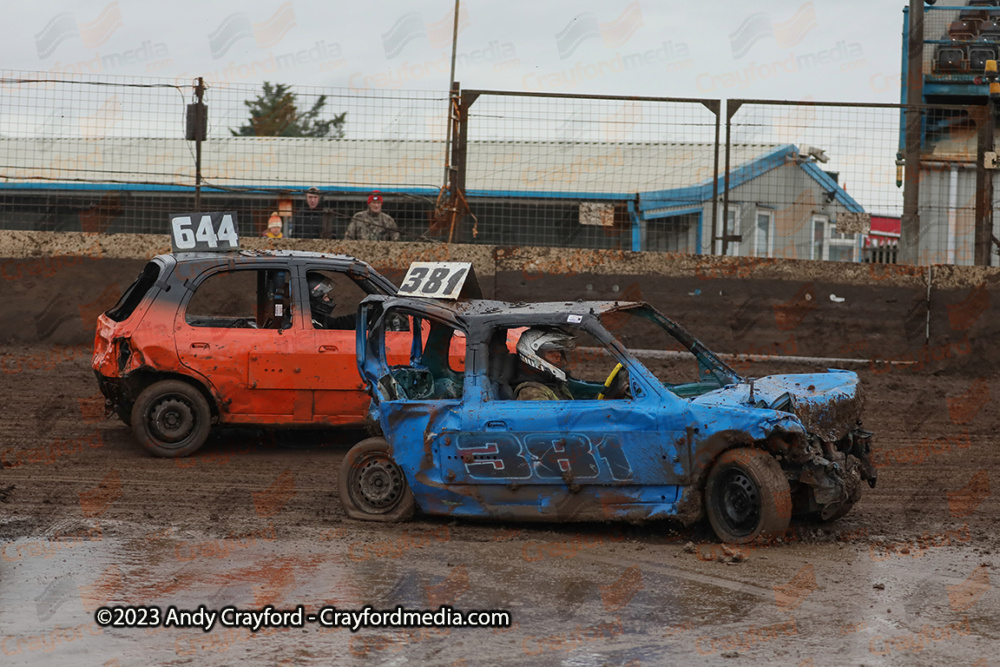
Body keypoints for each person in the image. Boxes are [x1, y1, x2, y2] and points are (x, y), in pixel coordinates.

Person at [513, 327, 577, 400]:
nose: (558, 355)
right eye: (551, 352)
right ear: (532, 356)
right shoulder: (531, 392)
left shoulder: (554, 383)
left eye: (560, 351)